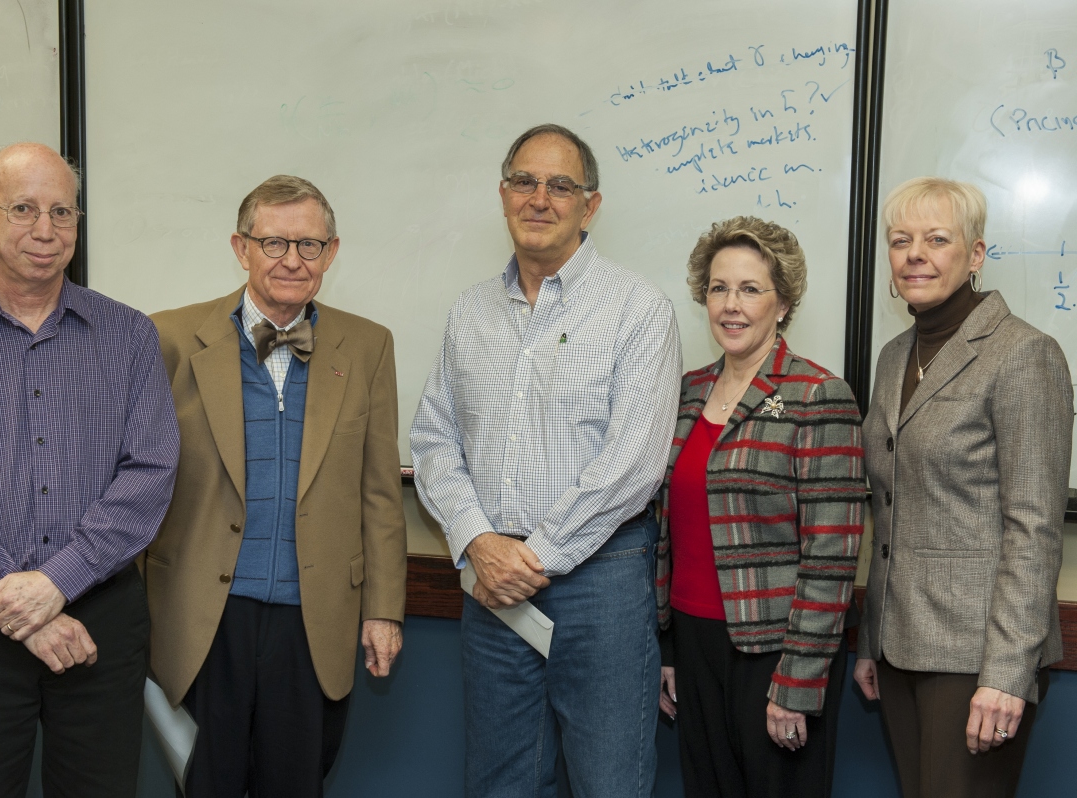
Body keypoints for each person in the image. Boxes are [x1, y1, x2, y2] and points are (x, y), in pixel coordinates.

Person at [0, 142, 180, 797]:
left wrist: (58, 583)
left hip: (100, 626)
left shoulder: (131, 337)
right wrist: (33, 606)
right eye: (23, 209)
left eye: (62, 212)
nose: (45, 231)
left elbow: (149, 474)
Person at [410, 124, 681, 798]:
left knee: (609, 782)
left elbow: (634, 462)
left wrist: (532, 558)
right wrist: (479, 541)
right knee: (501, 781)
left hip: (603, 579)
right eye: (525, 182)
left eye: (560, 185)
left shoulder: (638, 310)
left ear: (589, 206)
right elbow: (434, 439)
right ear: (503, 195)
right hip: (492, 584)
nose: (540, 198)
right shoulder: (469, 313)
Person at [145, 174, 407, 797]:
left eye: (310, 246)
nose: (293, 260)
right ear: (240, 248)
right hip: (203, 616)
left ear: (332, 253)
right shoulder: (170, 340)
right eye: (273, 243)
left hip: (314, 619)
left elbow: (379, 491)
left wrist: (385, 609)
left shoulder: (368, 346)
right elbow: (136, 483)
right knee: (206, 784)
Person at [854, 177, 1072, 798]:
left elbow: (1033, 528)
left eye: (936, 239)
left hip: (979, 656)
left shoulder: (1025, 354)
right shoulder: (896, 355)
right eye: (901, 240)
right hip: (900, 645)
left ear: (975, 255)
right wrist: (872, 639)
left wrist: (1006, 674)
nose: (915, 253)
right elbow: (892, 508)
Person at [654, 216, 865, 797]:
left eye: (750, 289)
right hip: (694, 644)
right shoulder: (688, 391)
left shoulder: (817, 396)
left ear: (784, 301)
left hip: (774, 651)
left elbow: (832, 558)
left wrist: (797, 681)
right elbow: (667, 530)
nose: (731, 305)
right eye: (719, 288)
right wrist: (667, 648)